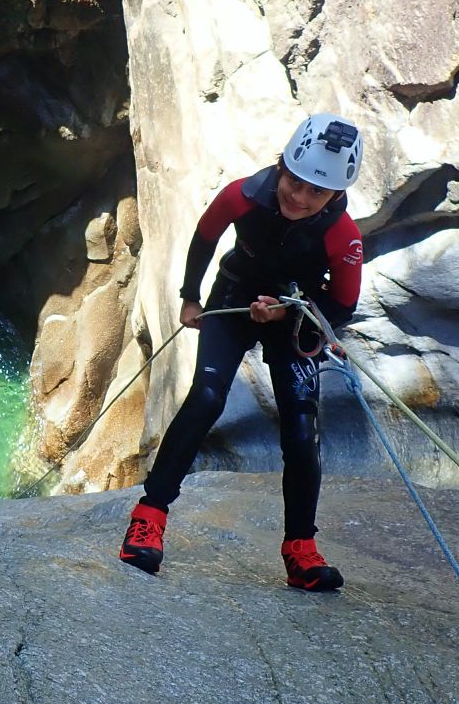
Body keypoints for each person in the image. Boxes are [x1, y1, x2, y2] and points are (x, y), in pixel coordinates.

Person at [119, 113, 365, 591]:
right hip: (233, 299)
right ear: (282, 165)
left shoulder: (344, 237)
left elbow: (343, 303)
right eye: (294, 181)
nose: (299, 196)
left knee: (300, 423)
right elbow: (206, 235)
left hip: (294, 316)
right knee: (207, 397)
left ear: (335, 195)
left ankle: (300, 550)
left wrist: (288, 315)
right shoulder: (243, 194)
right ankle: (149, 516)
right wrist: (191, 296)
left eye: (316, 191)